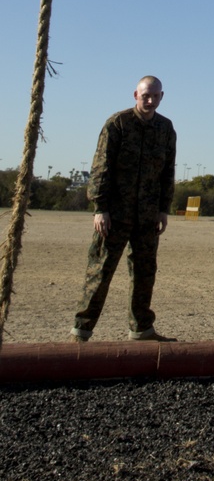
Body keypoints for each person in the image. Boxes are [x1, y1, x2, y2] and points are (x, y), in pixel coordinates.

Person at [71, 76, 176, 342]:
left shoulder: (166, 128)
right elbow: (101, 167)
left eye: (155, 96)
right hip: (114, 214)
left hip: (148, 216)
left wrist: (164, 209)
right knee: (100, 271)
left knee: (144, 273)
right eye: (145, 96)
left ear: (162, 97)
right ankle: (81, 331)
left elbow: (167, 172)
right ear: (135, 95)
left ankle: (141, 329)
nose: (150, 101)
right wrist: (100, 207)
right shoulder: (117, 124)